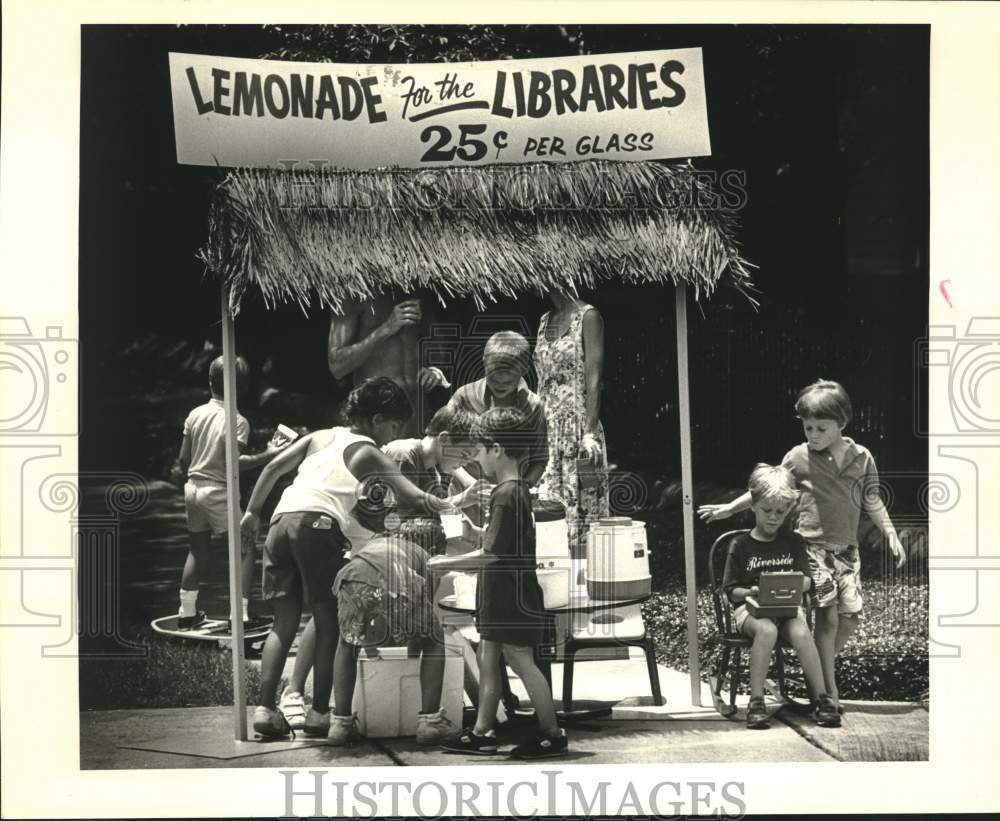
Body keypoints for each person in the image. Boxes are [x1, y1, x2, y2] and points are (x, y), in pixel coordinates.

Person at [241, 377, 457, 739]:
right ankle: (320, 714)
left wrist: (251, 513)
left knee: (283, 622)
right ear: (376, 419)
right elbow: (413, 495)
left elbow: (272, 469)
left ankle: (265, 709)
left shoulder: (320, 436)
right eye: (392, 427)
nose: (391, 437)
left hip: (280, 521)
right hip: (318, 526)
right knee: (330, 624)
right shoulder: (368, 450)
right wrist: (454, 504)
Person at [276, 404, 489, 729]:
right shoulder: (403, 454)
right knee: (330, 618)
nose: (464, 463)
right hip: (372, 551)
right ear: (444, 438)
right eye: (463, 455)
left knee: (342, 622)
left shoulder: (433, 471)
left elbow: (429, 512)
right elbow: (396, 513)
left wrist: (469, 528)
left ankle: (341, 717)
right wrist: (461, 524)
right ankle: (295, 692)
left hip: (396, 560)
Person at [699, 379, 907, 712]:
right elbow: (767, 491)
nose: (812, 435)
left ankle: (814, 667)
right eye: (808, 427)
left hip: (847, 552)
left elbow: (872, 498)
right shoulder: (798, 456)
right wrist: (728, 509)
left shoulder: (862, 457)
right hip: (810, 550)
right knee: (828, 618)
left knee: (850, 616)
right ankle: (827, 688)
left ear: (842, 423)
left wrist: (891, 533)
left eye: (821, 428)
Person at [432, 407, 569, 760]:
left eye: (478, 450)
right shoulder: (511, 491)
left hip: (509, 594)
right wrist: (473, 531)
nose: (476, 458)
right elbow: (498, 541)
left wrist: (446, 562)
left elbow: (492, 555)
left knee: (521, 660)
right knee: (487, 654)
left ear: (496, 448)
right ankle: (482, 731)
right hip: (500, 592)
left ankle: (552, 733)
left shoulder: (507, 493)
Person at [721, 464, 841, 729]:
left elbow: (808, 580)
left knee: (799, 631)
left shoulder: (794, 542)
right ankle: (756, 701)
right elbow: (731, 591)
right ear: (753, 505)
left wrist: (795, 584)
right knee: (766, 630)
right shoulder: (740, 545)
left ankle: (822, 699)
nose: (774, 517)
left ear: (789, 510)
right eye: (767, 510)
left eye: (781, 511)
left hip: (786, 607)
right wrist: (753, 591)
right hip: (751, 610)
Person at [176, 355, 288, 629]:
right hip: (218, 491)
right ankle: (240, 616)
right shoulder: (237, 420)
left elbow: (182, 459)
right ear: (242, 387)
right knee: (245, 548)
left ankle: (186, 612)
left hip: (192, 488)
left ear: (210, 381)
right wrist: (268, 455)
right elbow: (233, 463)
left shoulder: (195, 413)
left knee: (197, 550)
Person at [444, 331, 549, 525]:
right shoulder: (464, 397)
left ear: (524, 369)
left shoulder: (533, 406)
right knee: (459, 550)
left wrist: (521, 487)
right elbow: (443, 449)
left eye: (508, 381)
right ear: (484, 363)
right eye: (494, 379)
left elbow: (540, 459)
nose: (500, 385)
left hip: (510, 507)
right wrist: (470, 484)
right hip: (465, 499)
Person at [533, 289, 609, 558]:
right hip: (547, 430)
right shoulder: (544, 321)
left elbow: (594, 379)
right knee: (550, 508)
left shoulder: (588, 316)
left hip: (577, 427)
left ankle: (587, 579)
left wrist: (589, 432)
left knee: (583, 509)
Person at [327, 291, 450, 437]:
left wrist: (434, 370)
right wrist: (387, 327)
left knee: (414, 458)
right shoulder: (351, 295)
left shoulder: (416, 289)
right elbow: (337, 366)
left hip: (416, 407)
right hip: (377, 412)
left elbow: (438, 346)